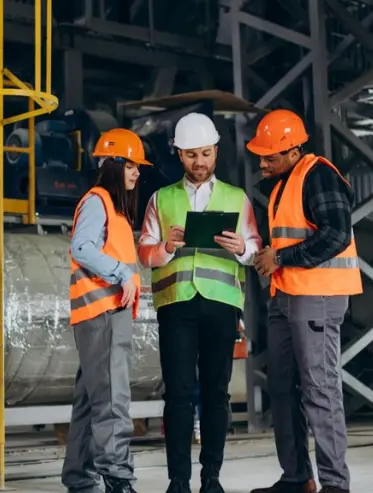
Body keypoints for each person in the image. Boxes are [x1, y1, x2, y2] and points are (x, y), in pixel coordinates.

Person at [138, 112, 261, 493]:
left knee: (215, 393)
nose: (200, 162)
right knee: (176, 394)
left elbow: (255, 248)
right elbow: (144, 252)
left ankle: (211, 478)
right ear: (178, 154)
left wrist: (243, 248)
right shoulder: (161, 199)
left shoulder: (237, 199)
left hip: (221, 306)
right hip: (176, 305)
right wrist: (167, 248)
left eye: (206, 154)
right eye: (191, 155)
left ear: (216, 152)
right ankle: (178, 481)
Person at [247, 109, 363, 493]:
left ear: (293, 151)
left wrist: (279, 258)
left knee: (320, 390)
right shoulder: (283, 183)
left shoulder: (318, 175)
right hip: (286, 297)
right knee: (282, 388)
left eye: (270, 156)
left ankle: (335, 484)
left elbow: (336, 235)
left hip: (318, 297)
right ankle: (297, 478)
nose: (262, 162)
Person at [62, 128, 152, 493]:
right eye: (131, 165)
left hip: (102, 315)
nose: (137, 173)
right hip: (102, 315)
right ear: (114, 165)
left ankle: (79, 477)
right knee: (113, 398)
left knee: (90, 399)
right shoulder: (98, 201)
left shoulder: (111, 208)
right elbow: (81, 248)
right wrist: (122, 274)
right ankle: (118, 478)